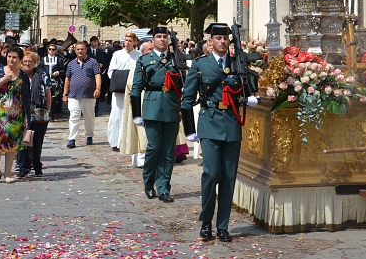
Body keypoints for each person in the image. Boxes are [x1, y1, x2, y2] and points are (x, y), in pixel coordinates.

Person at [181, 23, 258, 243]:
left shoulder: (238, 63)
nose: (222, 42)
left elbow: (247, 89)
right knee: (211, 174)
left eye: (225, 38)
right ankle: (206, 222)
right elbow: (187, 100)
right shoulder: (199, 64)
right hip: (210, 122)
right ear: (210, 42)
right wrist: (189, 130)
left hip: (232, 125)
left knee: (228, 178)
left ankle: (222, 226)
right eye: (218, 38)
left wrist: (251, 97)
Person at [130, 27, 184, 203]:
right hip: (152, 107)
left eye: (164, 37)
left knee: (169, 152)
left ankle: (164, 188)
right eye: (158, 37)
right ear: (153, 40)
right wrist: (137, 114)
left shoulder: (176, 59)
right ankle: (148, 182)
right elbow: (136, 89)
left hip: (171, 107)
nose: (162, 39)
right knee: (153, 148)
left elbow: (184, 83)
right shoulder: (145, 60)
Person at [0, 47, 31, 183]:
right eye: (9, 56)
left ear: (20, 59)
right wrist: (3, 80)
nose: (11, 59)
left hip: (15, 117)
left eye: (14, 57)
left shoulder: (23, 75)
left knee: (12, 145)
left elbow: (26, 97)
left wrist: (27, 116)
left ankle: (8, 173)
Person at [17, 51, 51, 178]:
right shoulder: (18, 75)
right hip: (21, 112)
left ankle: (37, 166)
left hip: (39, 112)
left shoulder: (41, 75)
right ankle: (23, 168)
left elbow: (48, 93)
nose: (27, 64)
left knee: (37, 142)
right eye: (25, 61)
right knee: (23, 141)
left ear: (34, 62)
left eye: (30, 61)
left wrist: (48, 110)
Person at [63, 41, 101, 149]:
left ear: (86, 50)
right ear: (75, 50)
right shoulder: (71, 64)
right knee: (74, 116)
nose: (80, 51)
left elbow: (97, 76)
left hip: (89, 95)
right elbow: (67, 79)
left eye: (82, 49)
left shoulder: (92, 62)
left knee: (89, 117)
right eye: (78, 49)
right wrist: (65, 93)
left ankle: (89, 135)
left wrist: (98, 88)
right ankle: (72, 139)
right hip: (74, 95)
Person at [107, 33, 140, 152]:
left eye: (130, 41)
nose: (127, 43)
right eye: (126, 40)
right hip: (119, 91)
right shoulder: (117, 54)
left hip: (132, 91)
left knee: (130, 115)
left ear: (135, 42)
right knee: (116, 116)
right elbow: (111, 71)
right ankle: (115, 141)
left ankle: (128, 142)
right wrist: (120, 81)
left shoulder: (138, 55)